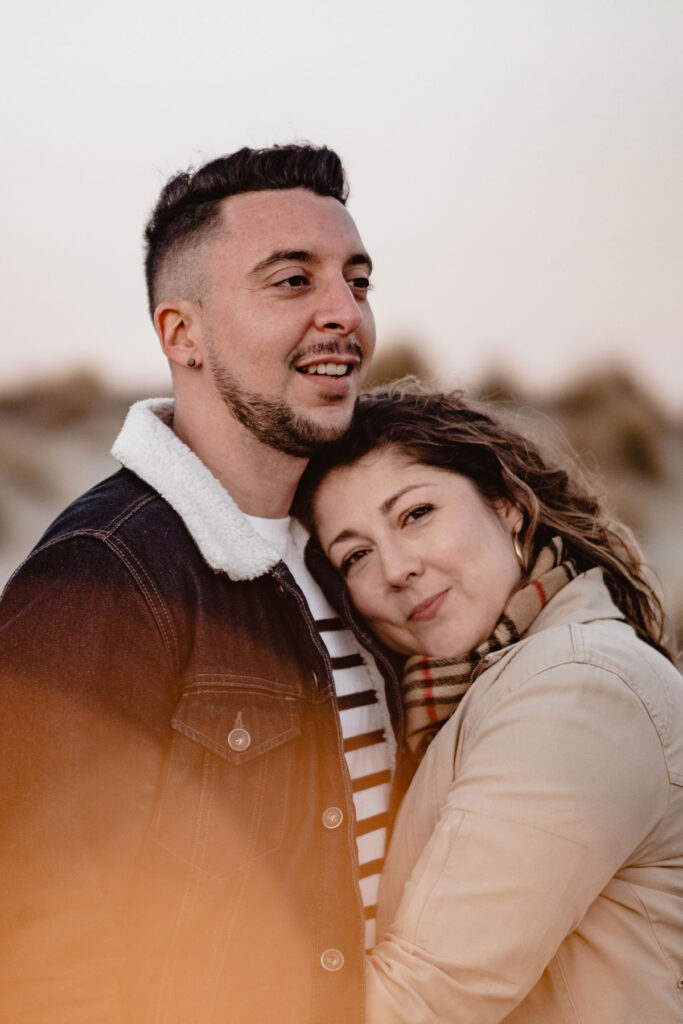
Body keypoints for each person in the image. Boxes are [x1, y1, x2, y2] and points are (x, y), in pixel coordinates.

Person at [0, 145, 406, 1024]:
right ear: (181, 333)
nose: (344, 314)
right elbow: (41, 956)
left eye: (357, 281)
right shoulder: (102, 577)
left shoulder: (352, 559)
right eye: (292, 282)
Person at [297, 381, 683, 1024]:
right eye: (356, 554)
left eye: (416, 514)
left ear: (507, 506)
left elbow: (424, 996)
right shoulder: (470, 696)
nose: (395, 568)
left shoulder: (576, 690)